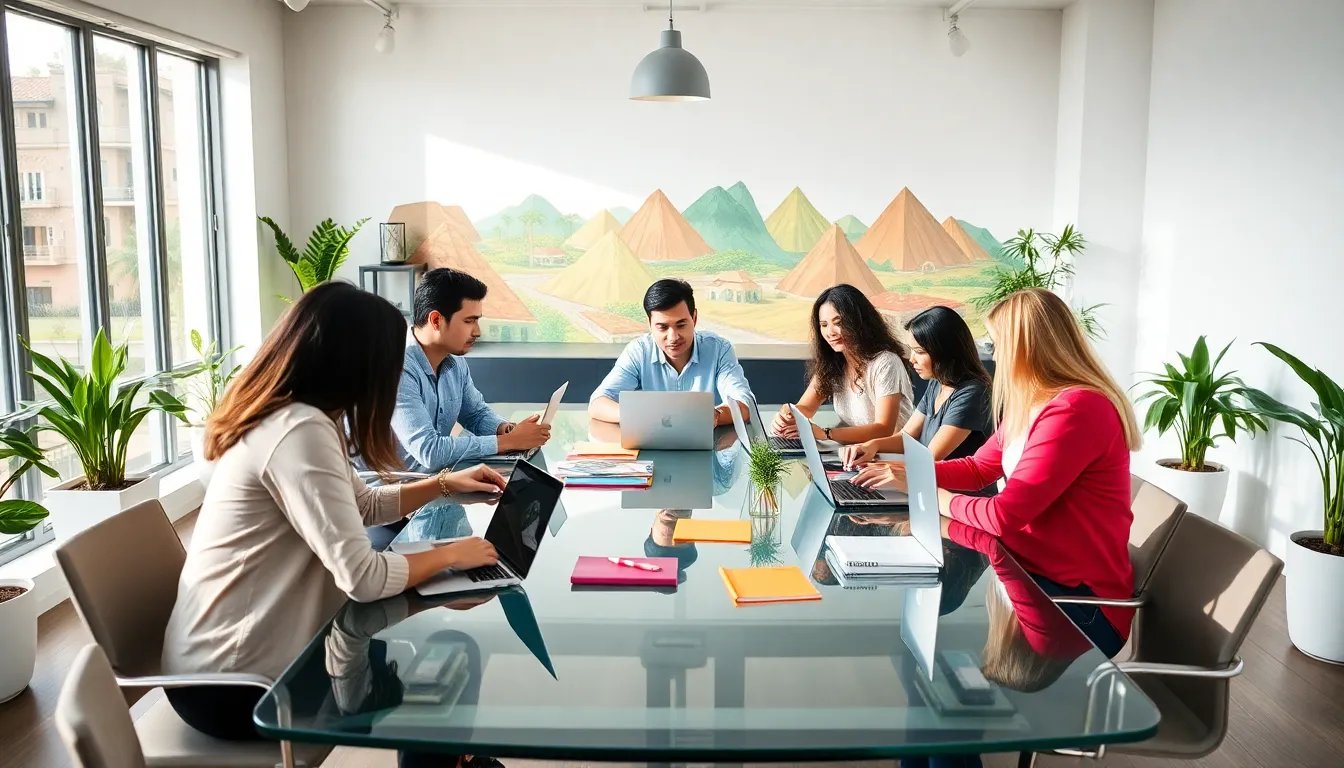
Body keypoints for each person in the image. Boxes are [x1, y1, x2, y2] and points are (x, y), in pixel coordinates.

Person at [161, 282, 507, 767]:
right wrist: (451, 555)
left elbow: (361, 506)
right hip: (238, 684)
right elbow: (362, 578)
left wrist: (445, 485)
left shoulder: (298, 419)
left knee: (438, 656)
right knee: (433, 675)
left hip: (238, 657)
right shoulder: (298, 431)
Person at [853, 288, 1139, 659]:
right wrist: (911, 472)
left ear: (1026, 347)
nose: (995, 354)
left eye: (997, 343)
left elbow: (1004, 516)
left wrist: (922, 487)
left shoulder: (1076, 409)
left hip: (1078, 603)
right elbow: (978, 468)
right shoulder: (1033, 402)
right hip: (1031, 570)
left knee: (952, 656)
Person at [393, 267, 550, 472]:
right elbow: (429, 451)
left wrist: (507, 430)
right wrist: (509, 441)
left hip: (439, 480)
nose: (477, 331)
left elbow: (475, 414)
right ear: (436, 320)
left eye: (477, 320)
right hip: (397, 487)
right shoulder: (397, 370)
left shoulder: (455, 363)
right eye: (469, 321)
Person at [839, 306, 994, 492]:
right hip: (928, 489)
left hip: (957, 498)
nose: (912, 360)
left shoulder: (973, 393)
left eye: (919, 351)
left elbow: (929, 458)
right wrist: (871, 446)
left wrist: (877, 467)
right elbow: (907, 437)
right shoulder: (938, 383)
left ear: (945, 351)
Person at [589, 278, 752, 425]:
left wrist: (715, 415)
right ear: (650, 324)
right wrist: (641, 416)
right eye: (663, 327)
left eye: (681, 325)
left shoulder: (719, 349)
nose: (673, 337)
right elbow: (598, 404)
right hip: (651, 444)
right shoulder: (638, 352)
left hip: (711, 444)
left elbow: (744, 405)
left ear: (694, 318)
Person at [771, 284, 914, 445]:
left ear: (858, 321)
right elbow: (806, 407)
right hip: (857, 453)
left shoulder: (886, 362)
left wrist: (825, 433)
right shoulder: (834, 362)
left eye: (838, 323)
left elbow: (884, 429)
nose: (830, 332)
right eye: (824, 325)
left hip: (894, 455)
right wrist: (789, 413)